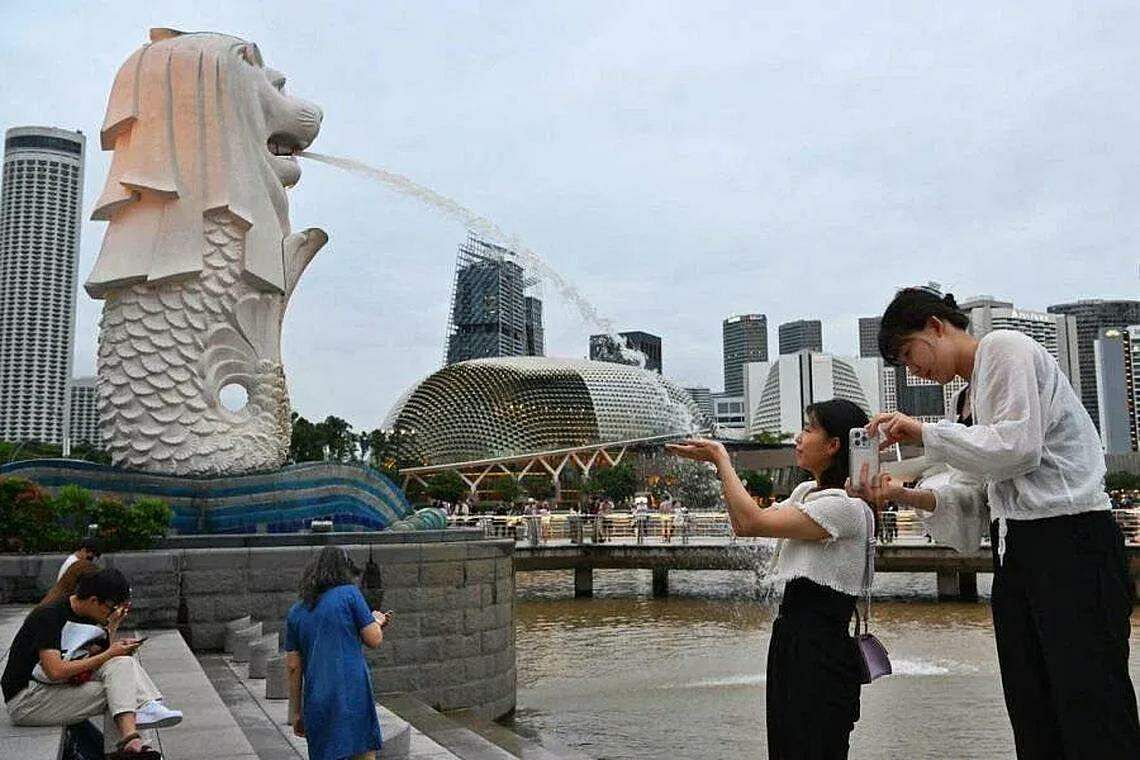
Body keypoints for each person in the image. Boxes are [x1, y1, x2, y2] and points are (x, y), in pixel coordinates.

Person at [863, 287, 1139, 758]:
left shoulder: (1005, 347)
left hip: (1070, 537)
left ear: (936, 325)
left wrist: (925, 433)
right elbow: (972, 494)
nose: (914, 371)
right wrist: (901, 494)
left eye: (910, 354)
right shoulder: (965, 403)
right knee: (1032, 704)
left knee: (1090, 700)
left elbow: (1017, 447)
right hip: (1019, 548)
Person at [669, 398, 872, 759]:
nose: (798, 438)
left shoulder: (845, 507)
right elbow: (742, 523)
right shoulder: (806, 494)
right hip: (791, 642)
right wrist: (720, 468)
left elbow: (752, 522)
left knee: (815, 748)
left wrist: (721, 458)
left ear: (833, 445)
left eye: (809, 430)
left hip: (820, 648)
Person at [2, 568, 183, 759]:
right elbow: (55, 670)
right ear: (94, 600)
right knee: (119, 693)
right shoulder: (49, 616)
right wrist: (109, 654)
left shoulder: (88, 614)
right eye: (112, 608)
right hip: (28, 700)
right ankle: (132, 739)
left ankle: (136, 732)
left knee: (122, 664)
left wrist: (112, 628)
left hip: (51, 688)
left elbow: (93, 656)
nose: (113, 612)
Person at [285, 546, 391, 760]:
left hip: (317, 699)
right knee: (362, 754)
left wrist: (296, 712)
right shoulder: (350, 594)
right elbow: (374, 639)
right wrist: (377, 621)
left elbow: (293, 666)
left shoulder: (296, 611)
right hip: (353, 693)